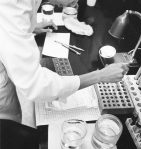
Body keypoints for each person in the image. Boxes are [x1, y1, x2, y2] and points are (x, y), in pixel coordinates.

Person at [0, 0, 129, 129]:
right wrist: (100, 76)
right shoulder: (15, 5)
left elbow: (8, 24)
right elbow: (35, 84)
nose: (76, 2)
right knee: (10, 124)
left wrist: (30, 27)